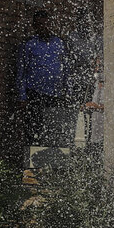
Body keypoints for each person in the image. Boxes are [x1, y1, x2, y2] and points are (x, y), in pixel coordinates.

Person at [16, 10, 69, 144]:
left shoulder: (59, 43)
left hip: (55, 93)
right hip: (35, 93)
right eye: (39, 24)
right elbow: (21, 71)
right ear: (34, 26)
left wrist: (67, 90)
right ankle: (32, 161)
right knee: (34, 129)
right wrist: (22, 96)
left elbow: (66, 68)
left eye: (46, 24)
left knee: (53, 129)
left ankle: (51, 159)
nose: (43, 27)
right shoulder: (29, 44)